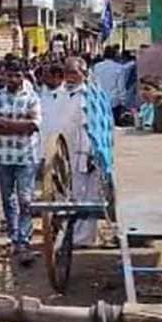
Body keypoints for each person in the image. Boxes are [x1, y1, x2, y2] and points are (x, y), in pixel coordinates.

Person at [0, 61, 42, 264]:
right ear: (4, 76)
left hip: (26, 156)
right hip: (3, 156)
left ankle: (24, 240)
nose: (13, 79)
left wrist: (5, 123)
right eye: (9, 75)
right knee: (8, 199)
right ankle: (13, 236)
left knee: (25, 199)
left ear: (23, 76)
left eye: (17, 75)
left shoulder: (32, 97)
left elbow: (34, 125)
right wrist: (20, 126)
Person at [61, 57, 99, 247]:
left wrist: (93, 151)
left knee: (87, 196)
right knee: (74, 195)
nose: (70, 77)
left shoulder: (91, 95)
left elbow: (97, 125)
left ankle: (85, 238)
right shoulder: (63, 93)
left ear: (84, 74)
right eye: (67, 73)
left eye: (74, 73)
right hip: (68, 150)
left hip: (86, 151)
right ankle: (76, 234)